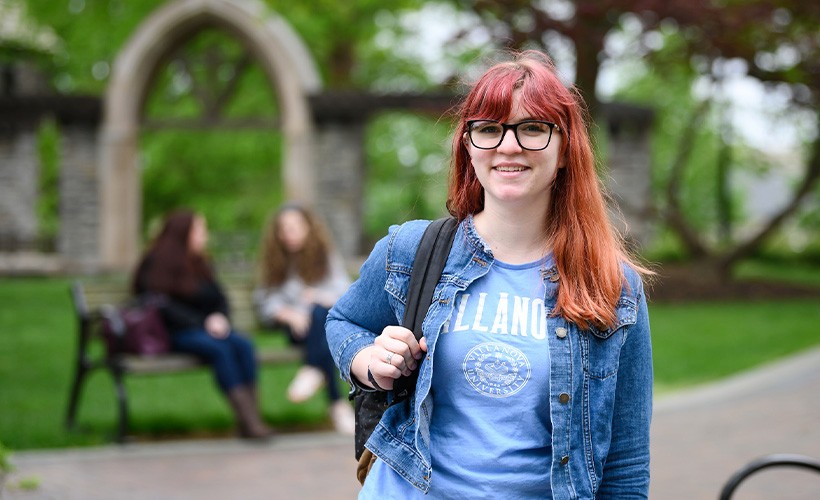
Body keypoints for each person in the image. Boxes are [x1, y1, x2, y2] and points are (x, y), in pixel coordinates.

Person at [326, 50, 654, 498]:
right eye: (488, 129)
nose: (508, 145)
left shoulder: (611, 285)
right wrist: (368, 363)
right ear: (469, 146)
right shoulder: (411, 250)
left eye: (533, 128)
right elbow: (343, 322)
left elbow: (627, 461)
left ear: (564, 151)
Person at [132, 209, 273, 440]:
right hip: (173, 333)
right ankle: (249, 422)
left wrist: (219, 317)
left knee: (243, 345)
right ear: (183, 233)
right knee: (220, 349)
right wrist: (201, 322)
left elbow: (219, 298)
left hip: (206, 330)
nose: (204, 236)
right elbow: (158, 305)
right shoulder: (157, 263)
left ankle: (252, 420)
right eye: (200, 230)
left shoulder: (199, 263)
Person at [254, 203, 355, 435]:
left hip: (324, 325)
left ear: (308, 227)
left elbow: (345, 292)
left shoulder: (324, 256)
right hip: (298, 330)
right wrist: (289, 314)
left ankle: (314, 370)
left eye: (295, 227)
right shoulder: (274, 261)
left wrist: (319, 296)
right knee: (321, 329)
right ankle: (337, 405)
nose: (289, 233)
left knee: (319, 313)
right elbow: (265, 301)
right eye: (284, 228)